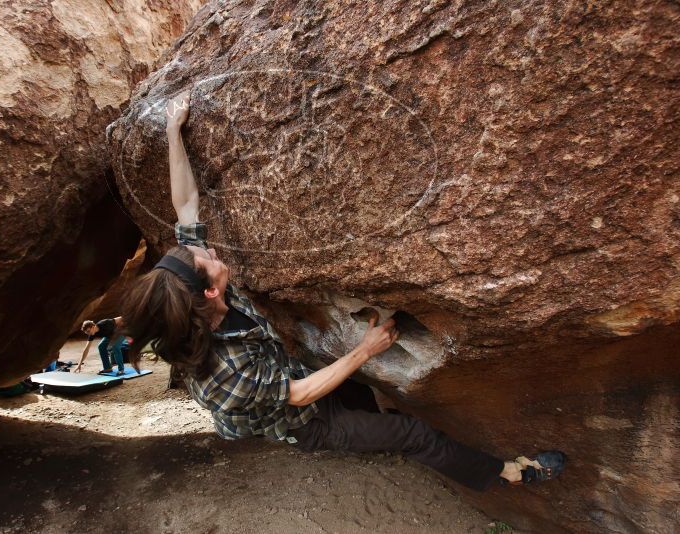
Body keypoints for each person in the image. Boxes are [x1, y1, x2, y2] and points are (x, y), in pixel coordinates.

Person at [120, 90, 566, 490]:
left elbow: (185, 205)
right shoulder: (220, 374)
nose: (213, 252)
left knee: (359, 398)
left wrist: (172, 130)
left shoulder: (192, 290)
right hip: (303, 421)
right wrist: (365, 350)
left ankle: (378, 430)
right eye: (208, 261)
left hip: (296, 377)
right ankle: (510, 473)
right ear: (211, 294)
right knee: (412, 434)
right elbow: (299, 395)